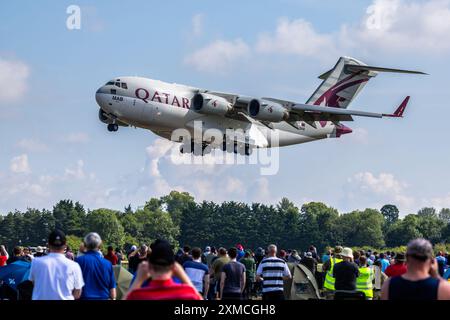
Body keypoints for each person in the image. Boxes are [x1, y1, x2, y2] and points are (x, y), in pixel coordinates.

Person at [125, 239, 201, 300]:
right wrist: (183, 276)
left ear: (149, 263)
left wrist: (138, 279)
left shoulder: (137, 295)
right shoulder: (186, 293)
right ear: (173, 265)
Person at [381, 238, 450, 300]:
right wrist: (436, 275)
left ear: (407, 258)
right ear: (431, 260)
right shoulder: (443, 288)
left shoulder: (389, 285)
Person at [28, 230, 84, 300]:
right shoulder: (74, 266)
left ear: (48, 244)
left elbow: (34, 283)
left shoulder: (35, 262)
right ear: (65, 245)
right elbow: (77, 292)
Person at [75, 232, 116, 300]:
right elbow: (113, 292)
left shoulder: (78, 261)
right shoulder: (108, 264)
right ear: (100, 246)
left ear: (85, 245)